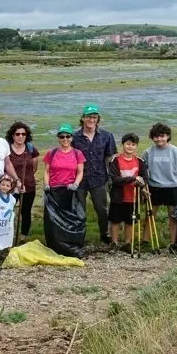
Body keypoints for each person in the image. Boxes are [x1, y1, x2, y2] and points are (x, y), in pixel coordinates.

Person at [72, 104, 117, 244]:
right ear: (83, 118)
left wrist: (112, 178)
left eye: (94, 117)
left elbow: (111, 157)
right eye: (88, 117)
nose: (91, 120)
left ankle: (105, 235)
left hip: (99, 179)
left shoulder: (107, 135)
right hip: (79, 179)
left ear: (98, 119)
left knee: (102, 210)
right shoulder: (74, 137)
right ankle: (79, 237)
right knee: (79, 210)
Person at [142, 123, 177, 246]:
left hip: (173, 187)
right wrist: (143, 187)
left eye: (162, 136)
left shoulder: (176, 151)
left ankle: (173, 244)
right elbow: (143, 172)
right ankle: (145, 241)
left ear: (168, 136)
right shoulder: (148, 152)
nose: (159, 139)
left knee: (173, 217)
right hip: (154, 187)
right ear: (152, 138)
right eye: (156, 136)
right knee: (150, 215)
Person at [107, 133, 149, 252]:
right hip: (118, 196)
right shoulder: (115, 160)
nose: (130, 147)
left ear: (136, 146)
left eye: (133, 145)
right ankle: (114, 243)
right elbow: (115, 179)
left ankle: (127, 243)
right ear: (123, 144)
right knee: (115, 221)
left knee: (130, 221)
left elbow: (145, 178)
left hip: (133, 197)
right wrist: (133, 179)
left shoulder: (140, 161)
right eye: (128, 144)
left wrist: (140, 183)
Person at [6, 121, 40, 242]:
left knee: (26, 212)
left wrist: (26, 180)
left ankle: (22, 237)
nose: (21, 136)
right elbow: (5, 167)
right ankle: (6, 235)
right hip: (10, 188)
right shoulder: (7, 149)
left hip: (29, 187)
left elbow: (34, 167)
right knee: (7, 211)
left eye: (23, 134)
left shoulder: (31, 149)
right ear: (13, 135)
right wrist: (16, 181)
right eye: (17, 134)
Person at [44, 124, 86, 192]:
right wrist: (46, 185)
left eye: (68, 136)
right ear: (58, 138)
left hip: (71, 189)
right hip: (53, 189)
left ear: (72, 138)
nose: (65, 139)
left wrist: (75, 184)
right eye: (62, 137)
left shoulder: (78, 153)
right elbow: (46, 171)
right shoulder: (51, 153)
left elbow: (80, 172)